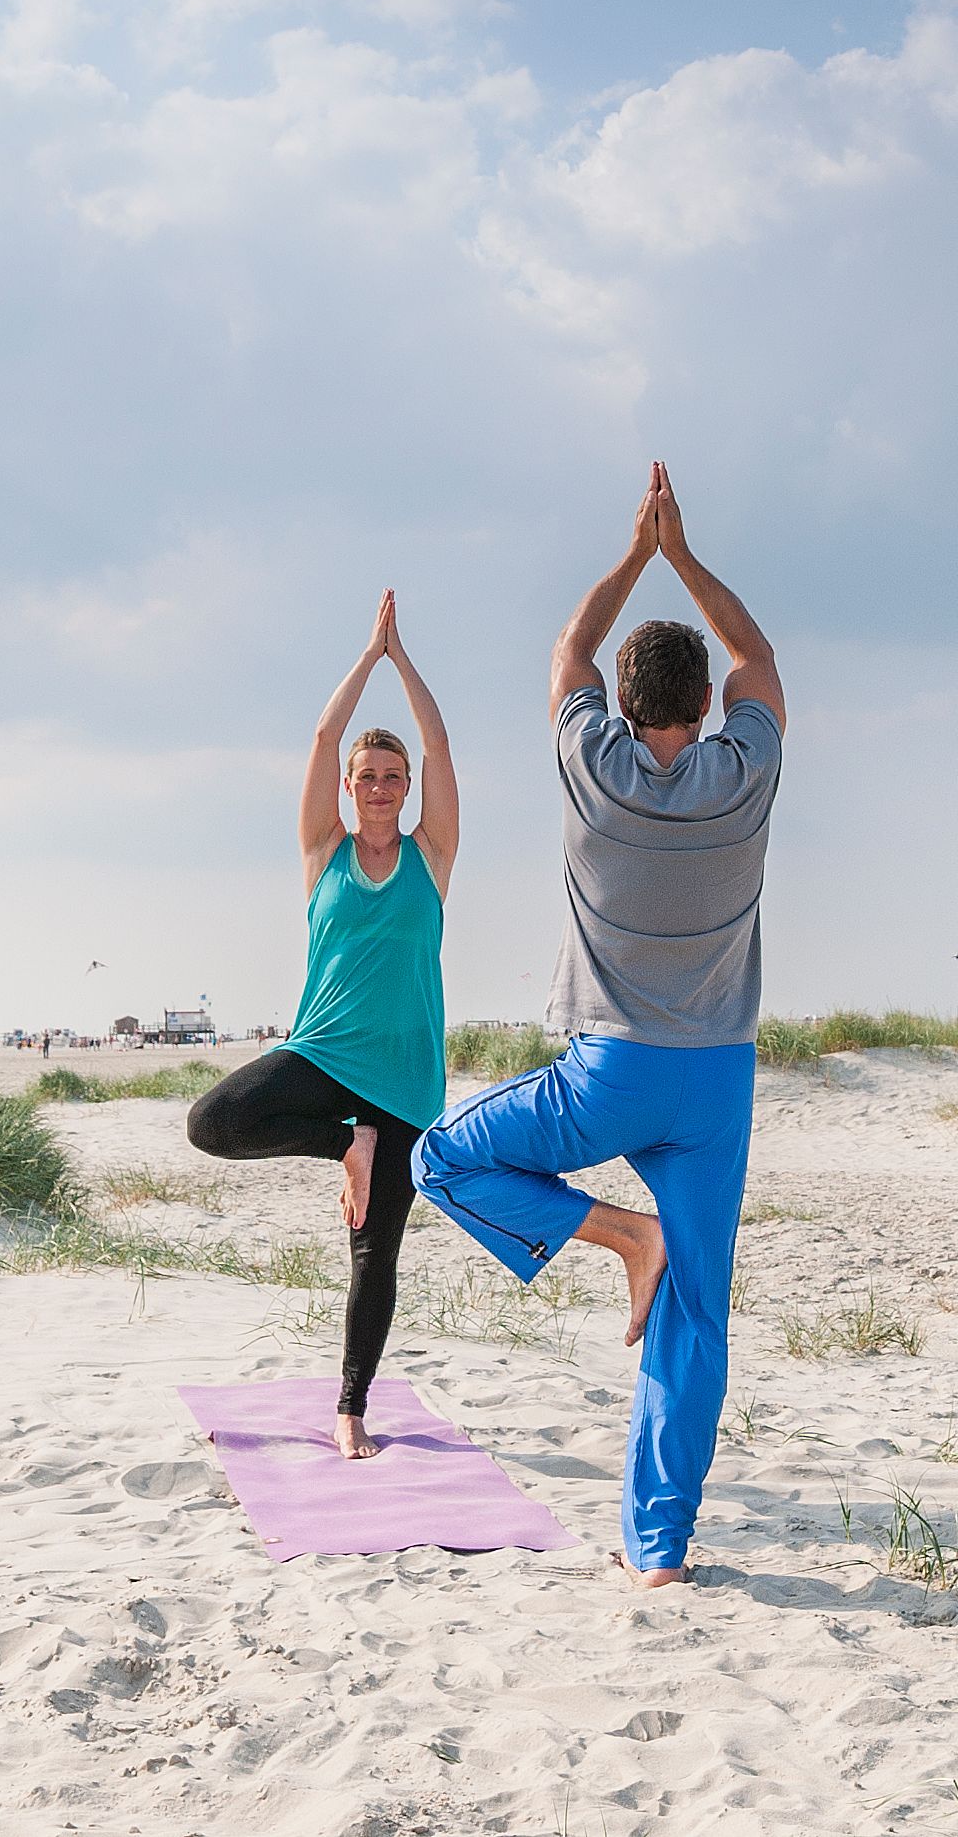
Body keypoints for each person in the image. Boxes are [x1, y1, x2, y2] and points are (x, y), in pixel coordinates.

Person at [417, 461, 783, 1582]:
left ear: (624, 709)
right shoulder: (743, 773)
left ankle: (622, 1235)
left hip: (611, 1072)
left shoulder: (594, 768)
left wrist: (634, 553)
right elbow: (759, 662)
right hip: (716, 1077)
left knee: (440, 1158)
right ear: (703, 705)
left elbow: (566, 653)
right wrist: (685, 556)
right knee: (696, 1320)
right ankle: (659, 1545)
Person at [181, 593, 459, 1458]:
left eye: (392, 775)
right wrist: (365, 656)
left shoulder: (432, 856)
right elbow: (317, 737)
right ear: (349, 787)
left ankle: (351, 1409)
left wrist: (403, 661)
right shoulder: (322, 853)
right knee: (212, 1122)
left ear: (407, 788)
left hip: (407, 1076)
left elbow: (442, 742)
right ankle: (348, 1139)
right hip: (325, 1054)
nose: (379, 786)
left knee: (375, 1252)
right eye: (366, 775)